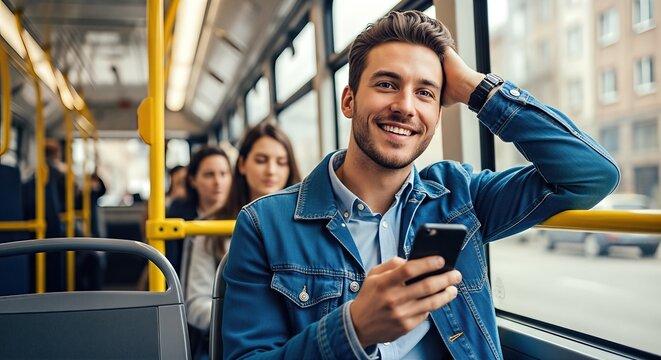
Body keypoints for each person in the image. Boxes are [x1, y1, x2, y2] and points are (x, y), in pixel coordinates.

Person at [222, 10, 620, 360]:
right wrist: (353, 330)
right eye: (386, 84)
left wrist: (475, 89)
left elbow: (590, 175)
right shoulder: (264, 225)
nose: (406, 106)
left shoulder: (463, 197)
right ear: (349, 101)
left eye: (425, 92)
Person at [180, 122, 301, 358]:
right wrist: (252, 316)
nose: (271, 171)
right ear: (242, 165)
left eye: (281, 162)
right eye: (261, 160)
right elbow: (195, 304)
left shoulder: (306, 226)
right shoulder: (210, 227)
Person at [166, 146, 232, 274]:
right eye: (209, 175)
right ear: (193, 180)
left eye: (223, 174)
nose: (218, 181)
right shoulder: (179, 214)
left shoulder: (241, 213)